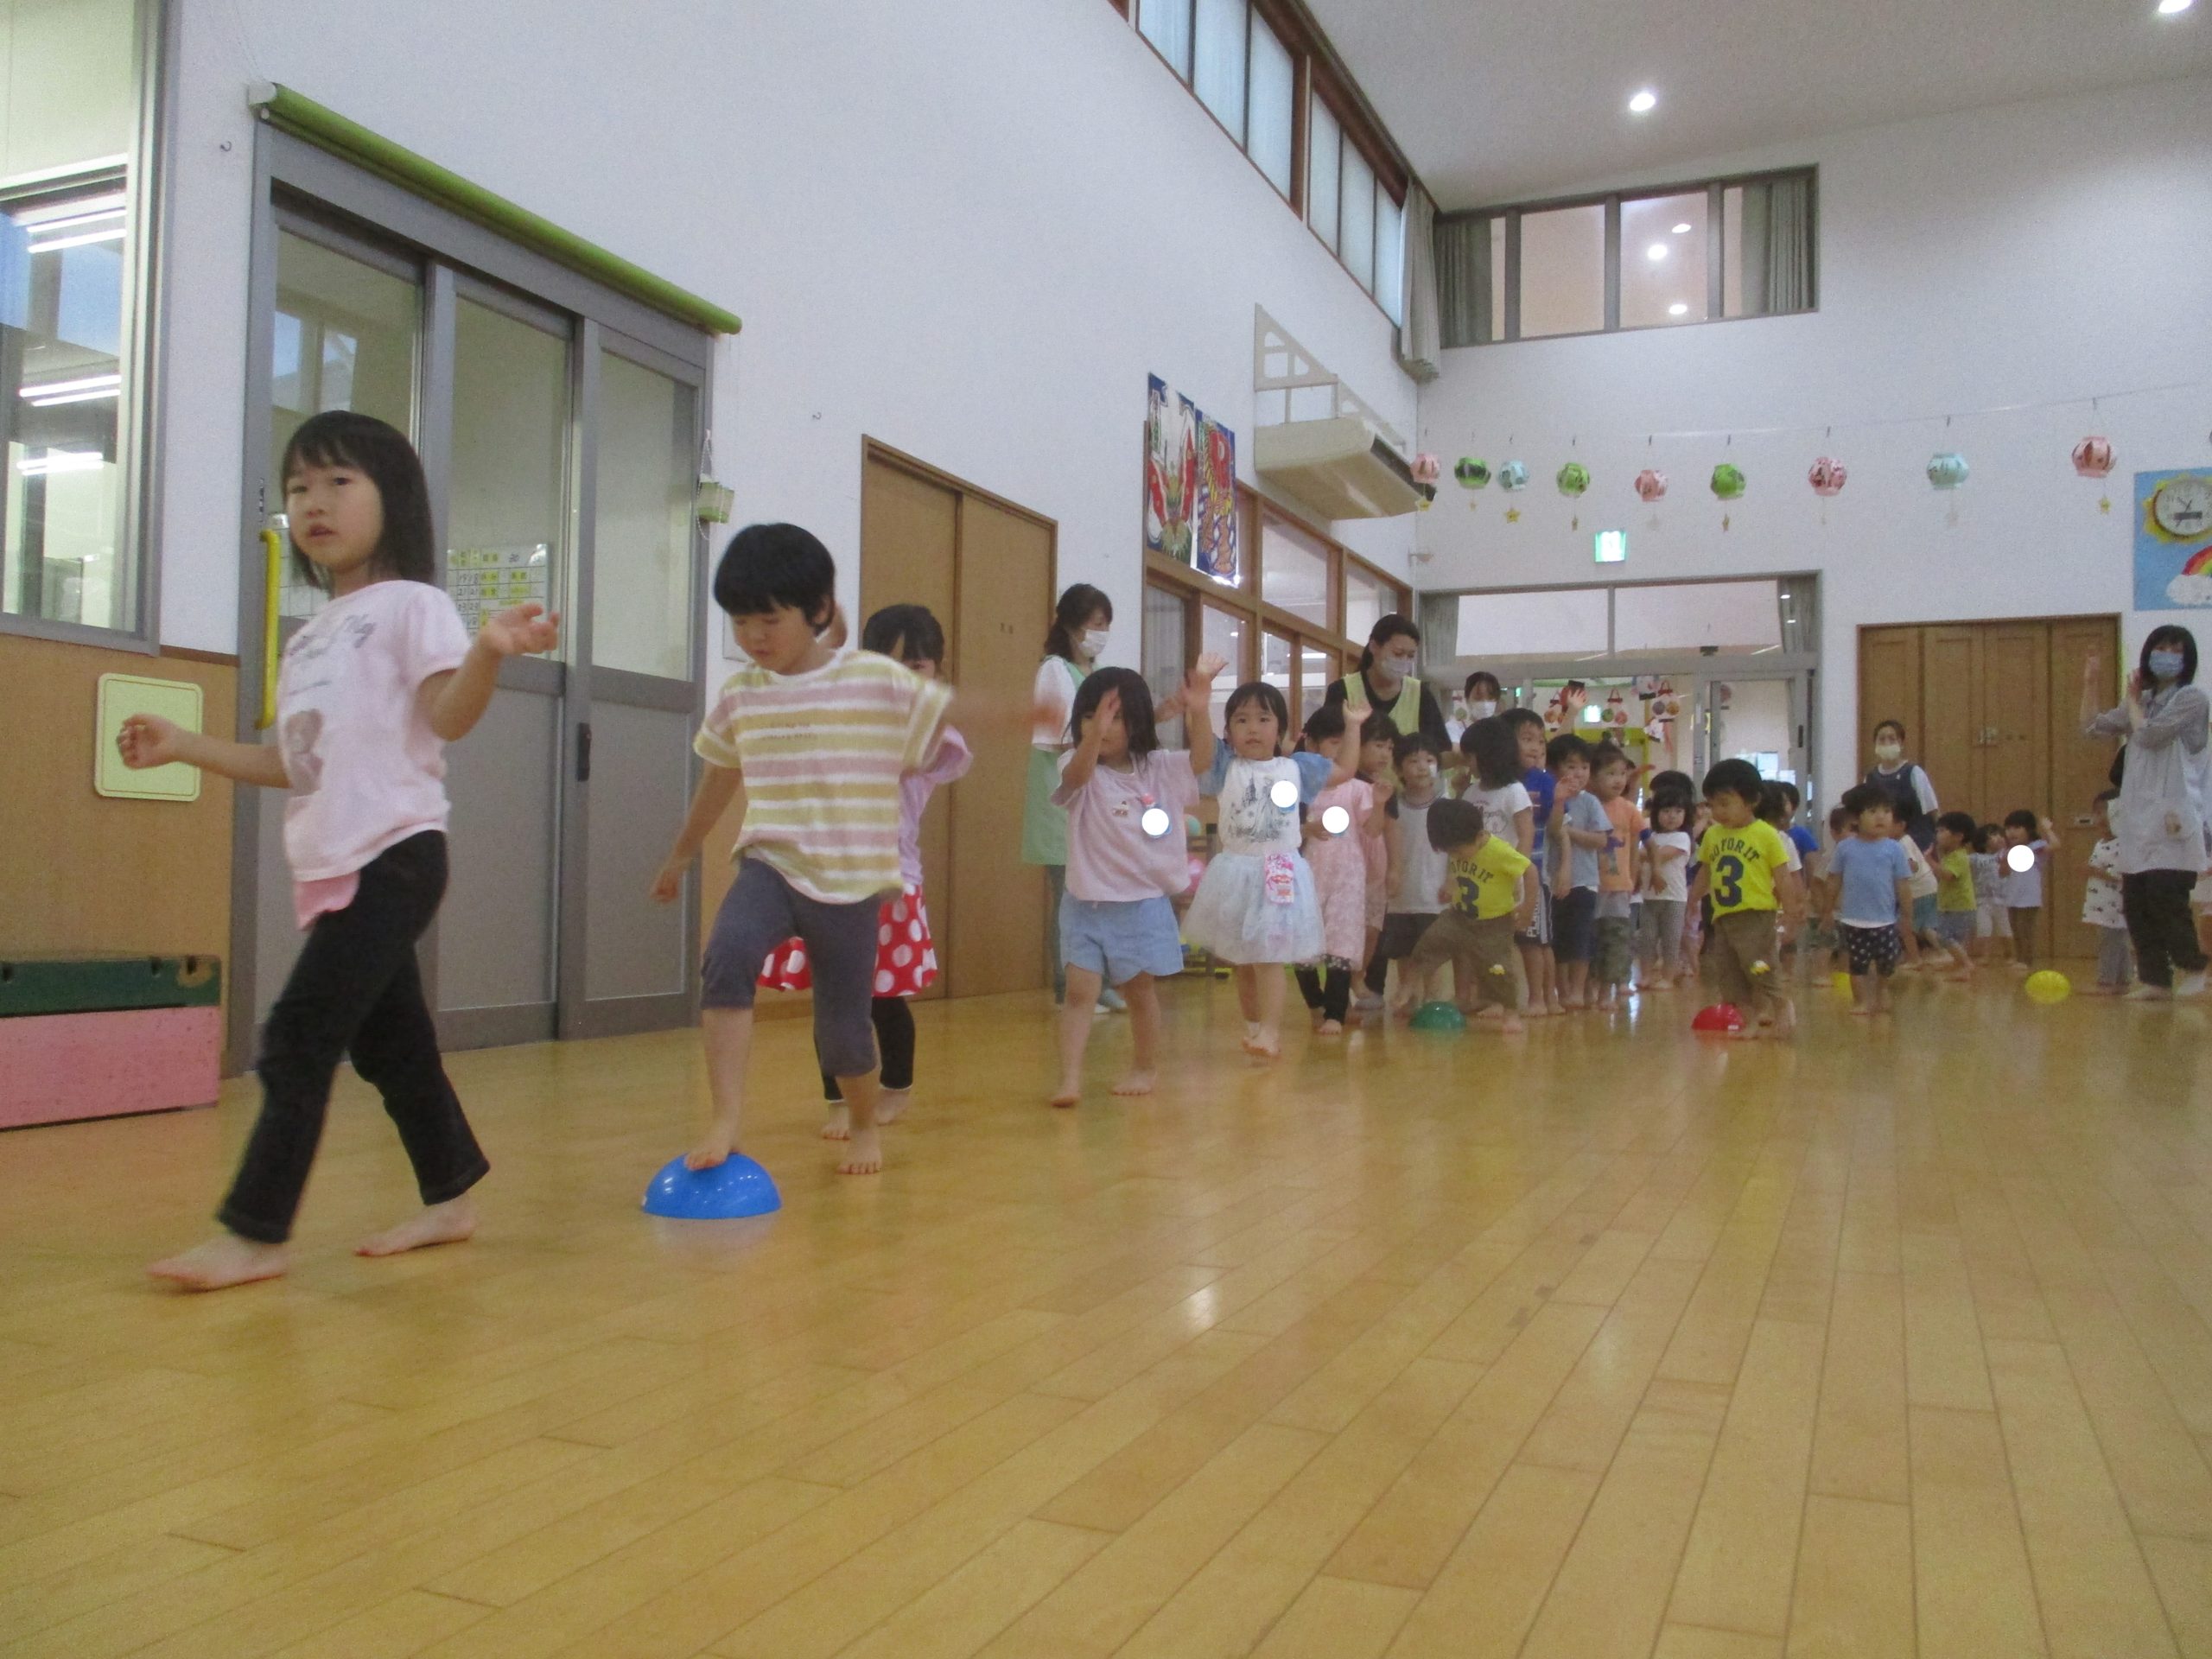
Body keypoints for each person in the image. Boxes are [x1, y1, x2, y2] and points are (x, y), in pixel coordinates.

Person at [118, 411, 556, 1290]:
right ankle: (451, 1195)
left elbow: (448, 718)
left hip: (395, 855)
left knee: (296, 1037)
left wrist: (487, 652)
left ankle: (256, 1233)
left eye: (338, 482)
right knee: (393, 1046)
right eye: (298, 488)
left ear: (393, 498)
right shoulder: (310, 635)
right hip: (335, 863)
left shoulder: (415, 606)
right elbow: (294, 762)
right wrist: (185, 745)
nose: (313, 502)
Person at [655, 524, 960, 1179]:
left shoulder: (866, 678)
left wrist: (1023, 716)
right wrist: (682, 853)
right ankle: (725, 1119)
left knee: (844, 1029)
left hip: (849, 881)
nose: (754, 637)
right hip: (770, 863)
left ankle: (863, 1126)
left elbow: (947, 716)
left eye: (769, 620)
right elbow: (720, 779)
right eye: (740, 622)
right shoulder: (742, 695)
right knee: (726, 957)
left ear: (817, 610)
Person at [757, 605, 969, 1133]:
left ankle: (896, 1088)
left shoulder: (934, 733)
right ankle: (837, 1100)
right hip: (827, 878)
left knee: (883, 1000)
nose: (900, 678)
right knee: (833, 1001)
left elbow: (908, 756)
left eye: (915, 667)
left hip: (889, 884)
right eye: (887, 665)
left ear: (937, 671)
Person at [1049, 654, 1225, 1106]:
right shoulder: (1077, 765)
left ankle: (1145, 1067)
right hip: (1085, 904)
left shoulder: (1157, 767)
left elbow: (1202, 759)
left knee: (1140, 993)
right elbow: (1075, 776)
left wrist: (1199, 709)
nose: (1103, 727)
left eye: (1116, 718)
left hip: (1142, 906)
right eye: (1091, 716)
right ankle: (1069, 1078)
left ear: (1137, 723)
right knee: (1080, 992)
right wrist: (1091, 737)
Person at [1182, 681, 1361, 1058]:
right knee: (1243, 963)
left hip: (1278, 873)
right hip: (1235, 873)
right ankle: (1253, 1026)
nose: (1253, 728)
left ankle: (1271, 1031)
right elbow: (1199, 748)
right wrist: (1199, 707)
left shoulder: (1296, 768)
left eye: (1263, 719)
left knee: (1268, 958)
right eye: (1241, 720)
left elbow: (1345, 769)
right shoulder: (1224, 767)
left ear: (1280, 728)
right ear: (1228, 731)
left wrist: (1354, 725)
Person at [2083, 631, 2211, 998]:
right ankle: (2156, 979)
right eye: (2160, 648)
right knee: (2137, 901)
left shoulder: (2191, 698)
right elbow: (2091, 728)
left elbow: (2152, 736)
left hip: (2174, 816)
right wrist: (2091, 683)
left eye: (2176, 650)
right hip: (2139, 817)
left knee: (2166, 897)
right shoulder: (2143, 700)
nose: (2167, 655)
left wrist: (2132, 703)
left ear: (2187, 658)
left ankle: (2193, 965)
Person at [1022, 583, 1117, 1007]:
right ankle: (1069, 990)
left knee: (1098, 899)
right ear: (1073, 625)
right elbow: (1058, 736)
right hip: (1060, 798)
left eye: (1107, 624)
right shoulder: (1054, 670)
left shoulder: (1095, 674)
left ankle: (1098, 984)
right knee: (1070, 899)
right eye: (1096, 623)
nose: (1102, 632)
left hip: (1092, 801)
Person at [1294, 702, 1389, 1037]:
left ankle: (1336, 1012)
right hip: (1305, 876)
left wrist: (1379, 804)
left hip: (1347, 877)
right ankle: (1316, 1006)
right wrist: (1306, 829)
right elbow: (1281, 830)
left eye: (1346, 743)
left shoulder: (1358, 789)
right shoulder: (1297, 787)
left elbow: (1373, 830)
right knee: (1302, 945)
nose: (1341, 750)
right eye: (1334, 742)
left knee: (1342, 945)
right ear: (1311, 744)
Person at [1691, 758, 1803, 1036]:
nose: (1718, 812)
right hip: (1723, 917)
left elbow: (1782, 875)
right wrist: (1691, 901)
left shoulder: (1766, 835)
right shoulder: (1712, 835)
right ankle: (1749, 1019)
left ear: (1752, 800)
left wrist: (1791, 912)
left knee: (1759, 965)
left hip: (1756, 915)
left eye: (1725, 803)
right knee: (1729, 973)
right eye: (1713, 805)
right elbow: (1705, 872)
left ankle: (1780, 1002)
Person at [1407, 797, 1535, 1031]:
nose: (1454, 855)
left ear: (1478, 836)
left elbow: (1530, 871)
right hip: (1459, 916)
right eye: (1450, 851)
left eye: (1456, 851)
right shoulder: (1459, 845)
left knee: (1498, 969)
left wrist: (1527, 909)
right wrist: (1450, 883)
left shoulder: (1498, 851)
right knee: (1428, 944)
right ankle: (1408, 987)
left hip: (1494, 924)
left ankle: (1510, 1012)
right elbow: (1456, 867)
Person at [1368, 731, 1450, 1007]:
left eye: (1429, 760)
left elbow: (1455, 849)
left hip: (1434, 894)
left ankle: (1433, 999)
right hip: (1401, 895)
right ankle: (1409, 997)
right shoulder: (1394, 805)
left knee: (1433, 952)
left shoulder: (1445, 804)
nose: (1423, 767)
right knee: (1403, 950)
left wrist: (1451, 880)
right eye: (1414, 761)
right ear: (1399, 768)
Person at [1827, 785, 1914, 1015]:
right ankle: (1860, 1000)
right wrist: (1827, 910)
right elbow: (1834, 879)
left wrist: (1907, 915)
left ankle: (1882, 991)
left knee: (1887, 962)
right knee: (1858, 964)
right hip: (1853, 920)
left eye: (1886, 811)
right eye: (1873, 811)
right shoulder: (1845, 848)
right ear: (1857, 818)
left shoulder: (1894, 849)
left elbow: (1903, 885)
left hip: (1885, 920)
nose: (1881, 817)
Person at [1323, 613, 1451, 747]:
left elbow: (1439, 748)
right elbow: (1328, 745)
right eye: (1398, 653)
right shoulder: (1342, 690)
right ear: (1374, 647)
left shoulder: (1420, 694)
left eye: (1410, 656)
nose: (1404, 661)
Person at [1547, 733, 1608, 1010]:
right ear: (1554, 769)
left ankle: (1577, 990)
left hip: (1584, 881)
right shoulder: (1552, 799)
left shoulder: (1590, 801)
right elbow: (1550, 830)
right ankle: (1561, 990)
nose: (1579, 773)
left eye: (1584, 766)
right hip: (1552, 880)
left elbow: (1601, 840)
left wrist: (1569, 832)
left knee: (1582, 937)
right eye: (1571, 766)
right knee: (1557, 939)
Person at [1507, 709, 1560, 1014]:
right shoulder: (1497, 781)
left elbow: (1557, 828)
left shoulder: (1543, 780)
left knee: (1536, 940)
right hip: (1500, 875)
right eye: (1527, 739)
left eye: (1540, 741)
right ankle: (1498, 998)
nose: (1536, 747)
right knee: (1501, 939)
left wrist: (1560, 801)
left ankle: (1543, 998)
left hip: (1534, 873)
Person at [1589, 742, 1644, 1008]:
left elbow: (1634, 846)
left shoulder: (1629, 809)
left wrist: (1632, 877)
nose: (1619, 780)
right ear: (1593, 777)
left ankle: (1606, 992)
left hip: (1618, 886)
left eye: (1622, 773)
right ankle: (1588, 990)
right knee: (1591, 939)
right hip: (1590, 885)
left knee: (1616, 938)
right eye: (1610, 773)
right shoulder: (1587, 805)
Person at [1352, 717, 1401, 1013]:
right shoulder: (1346, 781)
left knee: (1372, 928)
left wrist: (1395, 868)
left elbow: (1392, 830)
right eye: (1379, 745)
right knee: (1349, 926)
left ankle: (1359, 976)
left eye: (1390, 748)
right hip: (1348, 861)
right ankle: (1344, 979)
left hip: (1375, 865)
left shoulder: (1384, 787)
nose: (1385, 754)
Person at [1639, 789, 1694, 989]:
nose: (1672, 816)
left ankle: (1668, 977)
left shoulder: (1682, 837)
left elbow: (1661, 855)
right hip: (1649, 897)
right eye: (1666, 811)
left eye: (1678, 811)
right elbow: (1643, 856)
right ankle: (1646, 975)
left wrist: (1643, 854)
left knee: (1671, 939)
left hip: (1674, 898)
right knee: (1647, 939)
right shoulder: (1652, 836)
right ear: (1656, 813)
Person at [2082, 790, 2132, 995]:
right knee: (2117, 942)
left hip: (2115, 904)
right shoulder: (2101, 843)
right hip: (2101, 902)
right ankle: (2122, 980)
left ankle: (2106, 982)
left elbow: (2122, 874)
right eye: (2096, 812)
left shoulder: (2124, 844)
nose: (2099, 818)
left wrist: (2096, 872)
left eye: (2104, 812)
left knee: (2110, 942)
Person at [1999, 809, 2061, 971]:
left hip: (2029, 898)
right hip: (2012, 896)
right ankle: (2020, 958)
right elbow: (2003, 873)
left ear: (2029, 830)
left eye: (2017, 828)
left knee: (2025, 929)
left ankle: (2027, 961)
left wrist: (2047, 829)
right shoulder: (2008, 851)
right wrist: (2004, 859)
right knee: (2016, 930)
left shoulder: (2035, 847)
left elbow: (2055, 845)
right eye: (2008, 828)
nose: (2011, 832)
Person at [1866, 719, 1941, 849]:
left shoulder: (1914, 772)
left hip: (1918, 844)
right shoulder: (1870, 778)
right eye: (1882, 739)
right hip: (1883, 846)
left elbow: (1932, 810)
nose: (1887, 743)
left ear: (1901, 743)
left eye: (1892, 739)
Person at [1929, 810, 1980, 978]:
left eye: (1942, 831)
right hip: (1952, 906)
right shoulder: (1951, 855)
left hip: (1960, 907)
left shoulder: (1958, 857)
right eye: (1937, 831)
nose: (1938, 835)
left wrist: (1929, 860)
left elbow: (1947, 875)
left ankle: (1967, 964)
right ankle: (1959, 963)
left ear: (1958, 836)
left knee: (1945, 938)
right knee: (1954, 939)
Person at [1970, 823, 2011, 963]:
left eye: (2000, 834)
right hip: (1982, 900)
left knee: (2005, 930)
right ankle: (1985, 956)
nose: (1999, 837)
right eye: (1993, 835)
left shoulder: (2005, 855)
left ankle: (2010, 955)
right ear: (1983, 842)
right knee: (1984, 930)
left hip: (2002, 899)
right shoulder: (1975, 858)